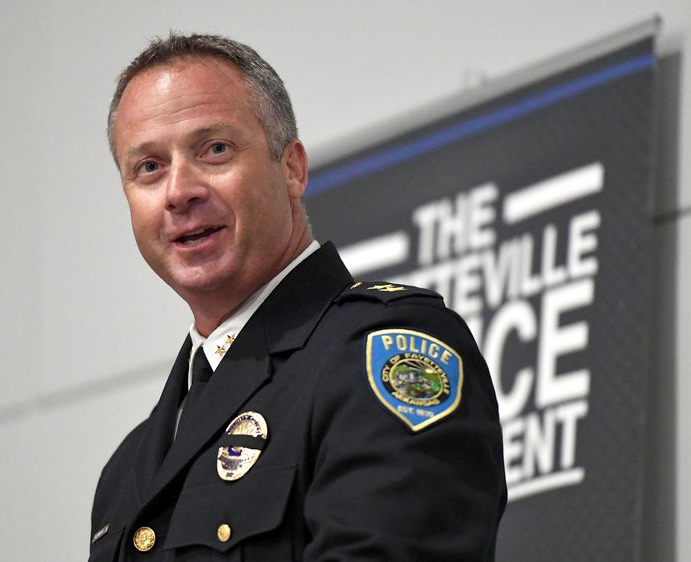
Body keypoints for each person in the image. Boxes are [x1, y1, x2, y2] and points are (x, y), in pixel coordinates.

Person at [89, 32, 506, 562]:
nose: (179, 191)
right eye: (149, 167)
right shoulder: (127, 468)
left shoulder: (380, 351)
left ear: (292, 169)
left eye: (214, 150)